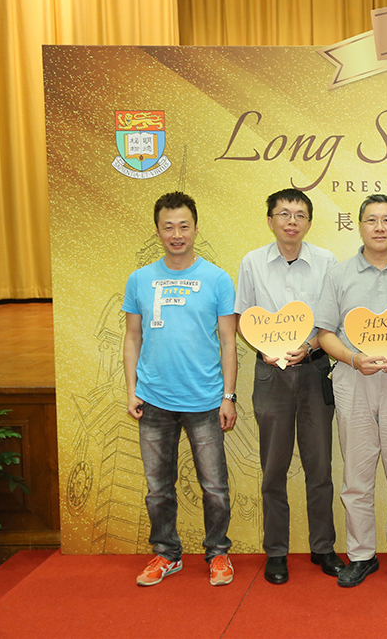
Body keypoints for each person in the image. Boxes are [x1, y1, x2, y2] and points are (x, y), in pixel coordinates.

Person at [315, 194, 387, 589]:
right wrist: (352, 358)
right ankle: (361, 555)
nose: (379, 227)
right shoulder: (339, 274)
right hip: (353, 381)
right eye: (371, 220)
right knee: (356, 476)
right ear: (359, 225)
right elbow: (324, 332)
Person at [123, 191, 237, 587]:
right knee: (158, 489)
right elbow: (132, 337)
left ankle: (218, 553)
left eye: (183, 226)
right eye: (168, 227)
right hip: (154, 400)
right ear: (157, 231)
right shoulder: (140, 279)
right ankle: (166, 554)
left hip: (205, 400)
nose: (176, 234)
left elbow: (228, 342)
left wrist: (228, 396)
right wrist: (132, 389)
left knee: (215, 488)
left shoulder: (217, 279)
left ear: (195, 228)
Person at [235, 188, 344, 585]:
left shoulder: (327, 262)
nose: (291, 221)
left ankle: (323, 547)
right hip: (271, 374)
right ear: (270, 221)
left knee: (320, 465)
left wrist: (310, 345)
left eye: (299, 214)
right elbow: (243, 316)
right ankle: (276, 551)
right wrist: (264, 347)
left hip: (315, 369)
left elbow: (332, 319)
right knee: (273, 468)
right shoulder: (252, 262)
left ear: (309, 222)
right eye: (283, 214)